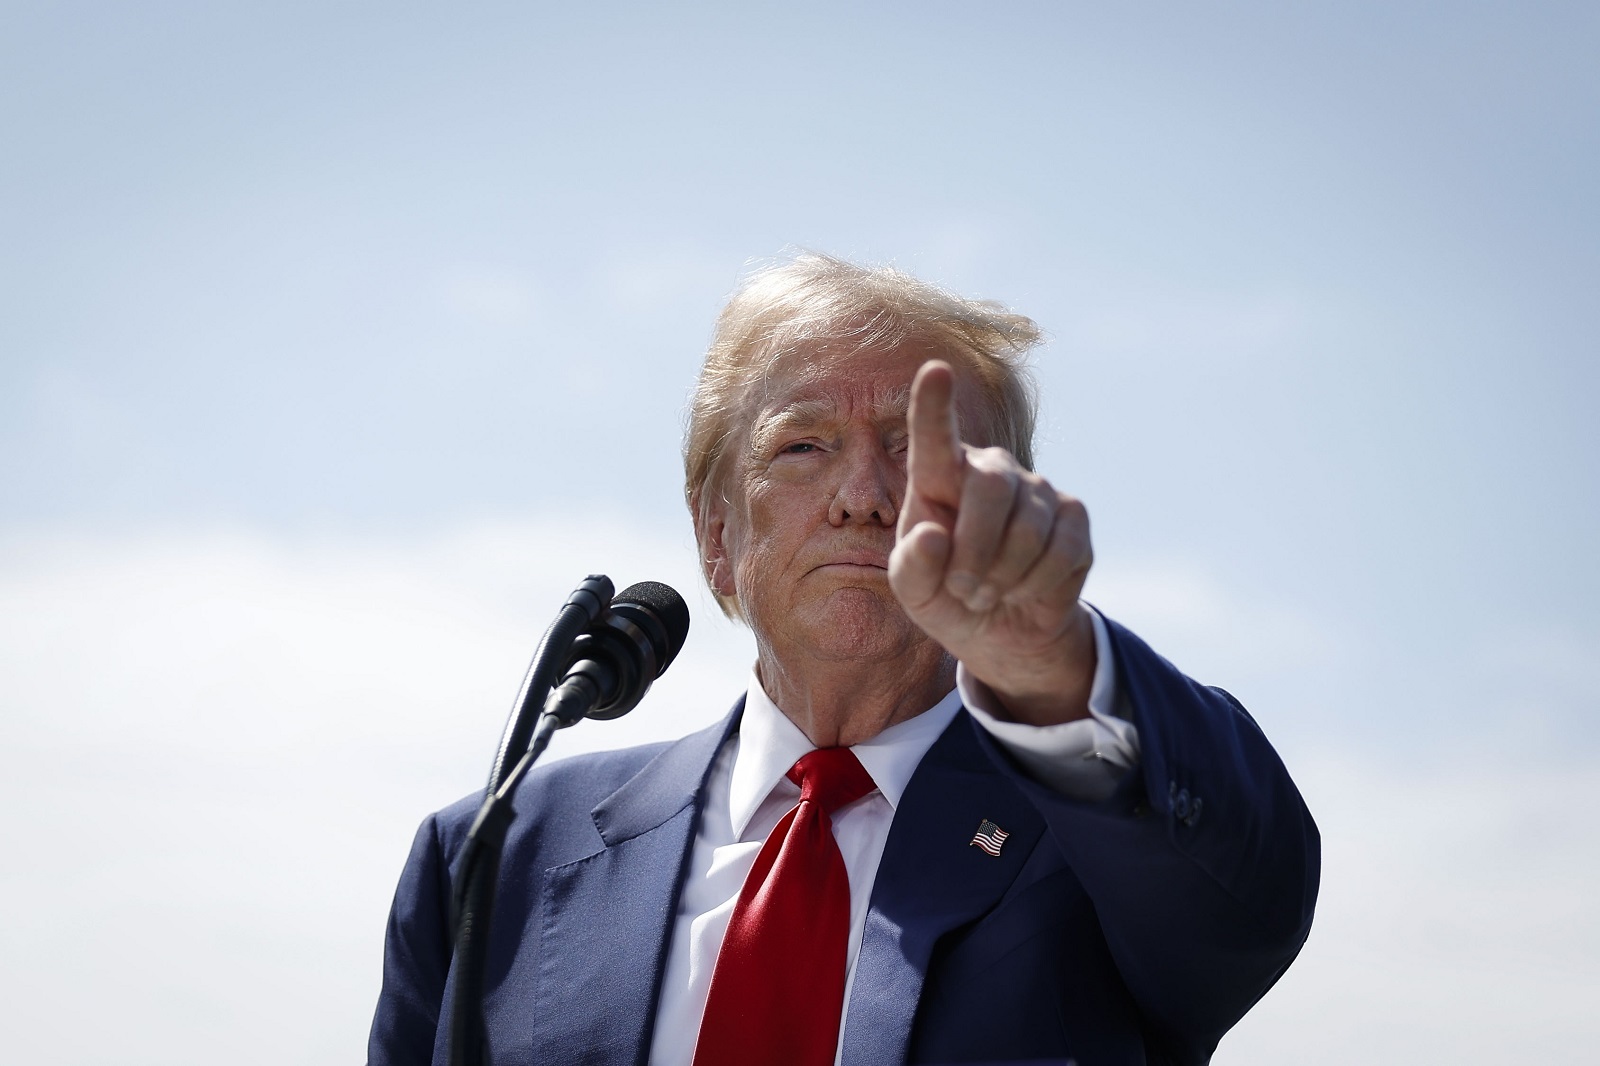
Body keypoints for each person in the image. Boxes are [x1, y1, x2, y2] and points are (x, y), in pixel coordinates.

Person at [367, 253, 1320, 1066]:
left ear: (1005, 513)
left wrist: (1054, 658)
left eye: (918, 450)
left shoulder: (1100, 833)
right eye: (804, 445)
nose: (862, 494)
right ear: (715, 532)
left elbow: (1254, 883)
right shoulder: (493, 856)